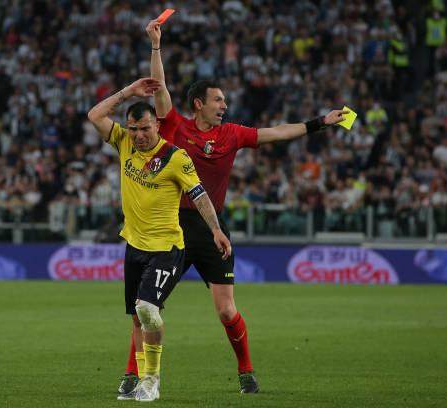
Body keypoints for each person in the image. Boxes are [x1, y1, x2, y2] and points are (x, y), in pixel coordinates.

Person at [115, 20, 349, 397]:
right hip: (173, 229)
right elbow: (159, 87)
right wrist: (156, 46)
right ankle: (132, 374)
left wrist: (320, 122)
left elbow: (276, 133)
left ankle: (245, 371)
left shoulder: (232, 134)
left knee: (226, 309)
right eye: (218, 100)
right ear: (199, 104)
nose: (224, 106)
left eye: (224, 101)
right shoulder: (174, 127)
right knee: (147, 305)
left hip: (212, 228)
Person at [87, 78, 231, 402]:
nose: (139, 135)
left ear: (157, 126)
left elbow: (199, 195)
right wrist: (127, 92)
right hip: (134, 246)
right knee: (138, 317)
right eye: (133, 129)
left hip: (167, 248)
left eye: (145, 129)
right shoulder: (123, 143)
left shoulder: (175, 157)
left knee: (148, 309)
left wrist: (216, 229)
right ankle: (141, 379)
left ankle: (151, 381)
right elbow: (94, 115)